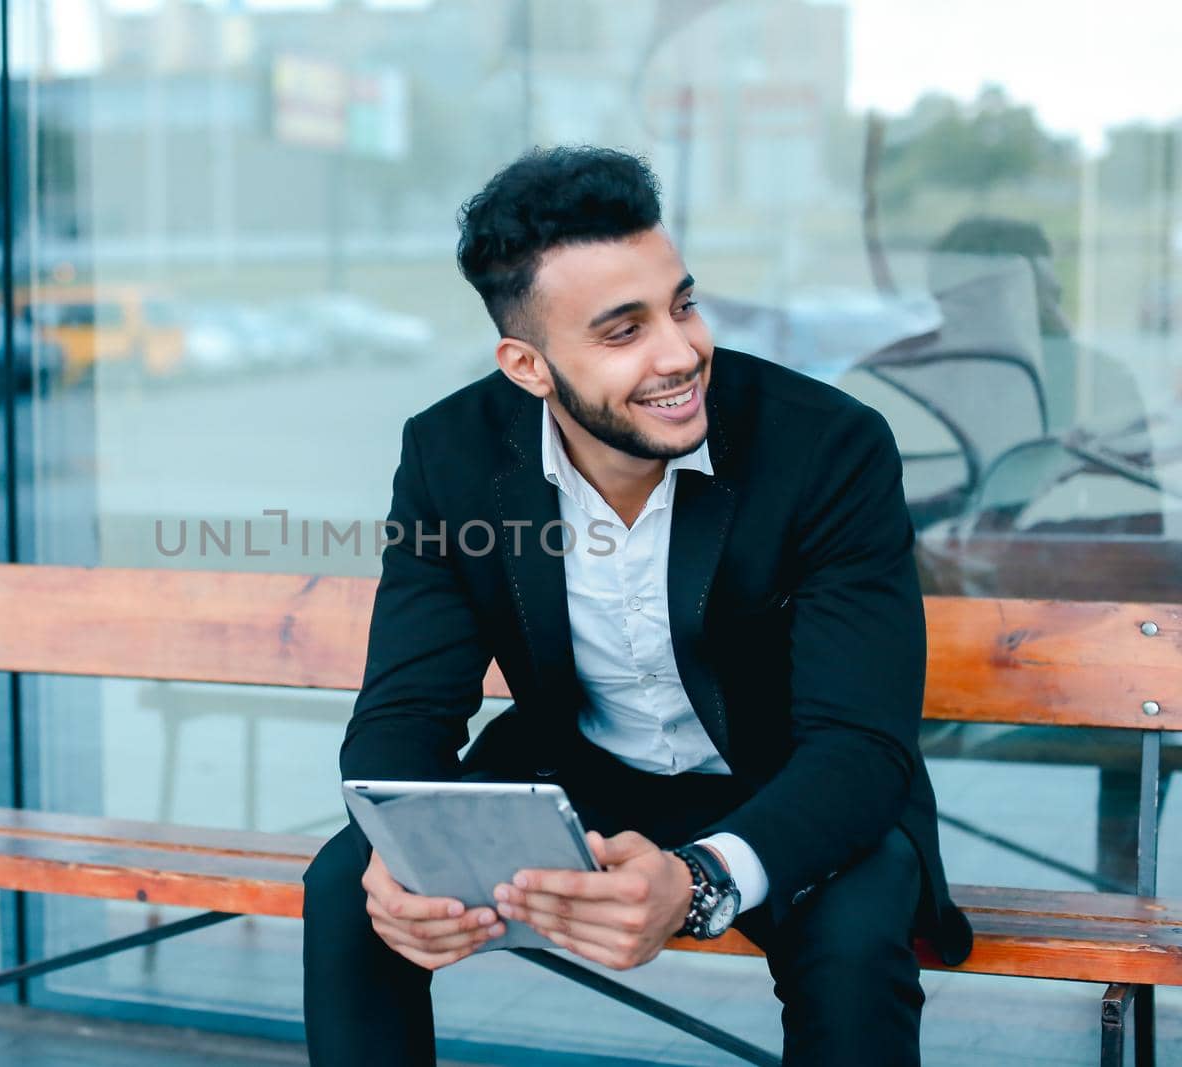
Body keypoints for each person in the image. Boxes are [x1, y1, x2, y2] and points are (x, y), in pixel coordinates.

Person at [302, 146, 972, 1066]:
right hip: (581, 772)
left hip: (795, 779)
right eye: (623, 331)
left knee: (856, 936)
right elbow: (406, 707)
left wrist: (700, 880)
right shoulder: (449, 455)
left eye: (682, 304)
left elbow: (862, 742)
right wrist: (397, 846)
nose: (681, 351)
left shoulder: (829, 447)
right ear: (527, 364)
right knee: (352, 886)